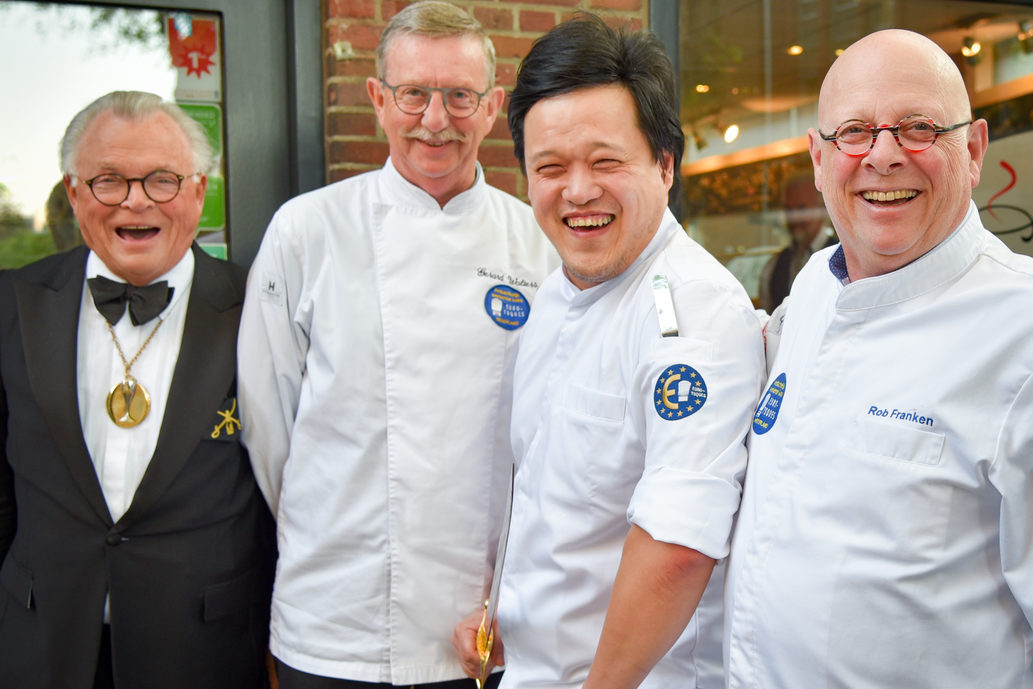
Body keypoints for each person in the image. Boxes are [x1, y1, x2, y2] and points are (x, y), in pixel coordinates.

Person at [237, 2, 556, 687]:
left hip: (481, 625)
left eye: (459, 96)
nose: (435, 119)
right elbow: (269, 430)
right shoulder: (306, 231)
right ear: (379, 99)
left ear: (493, 105)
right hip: (333, 619)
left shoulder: (537, 243)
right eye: (413, 93)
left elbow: (547, 440)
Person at [452, 14, 765, 689]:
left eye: (604, 161)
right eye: (550, 168)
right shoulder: (554, 294)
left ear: (663, 163)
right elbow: (546, 492)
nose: (577, 191)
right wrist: (503, 606)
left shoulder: (696, 312)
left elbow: (678, 545)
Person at [725, 29, 1033, 689]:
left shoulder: (1021, 331)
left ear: (973, 149)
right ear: (816, 158)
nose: (883, 156)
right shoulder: (809, 288)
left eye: (918, 127)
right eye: (854, 133)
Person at [0, 90, 275, 689]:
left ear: (199, 192)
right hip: (38, 647)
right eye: (108, 181)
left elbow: (288, 492)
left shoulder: (260, 305)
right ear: (74, 193)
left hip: (206, 651)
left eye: (161, 180)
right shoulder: (11, 302)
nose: (135, 200)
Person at [756, 171, 836, 312]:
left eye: (801, 209)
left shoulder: (843, 255)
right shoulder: (773, 266)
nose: (794, 218)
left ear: (822, 209)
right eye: (788, 210)